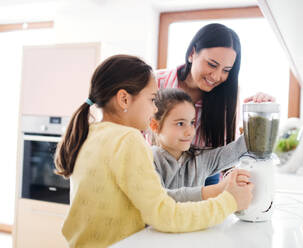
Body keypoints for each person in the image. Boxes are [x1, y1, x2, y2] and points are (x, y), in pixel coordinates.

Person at [54, 54, 254, 248]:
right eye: (151, 100)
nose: (153, 110)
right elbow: (165, 216)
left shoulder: (89, 132)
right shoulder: (128, 139)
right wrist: (229, 201)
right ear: (124, 99)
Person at [155, 23, 274, 186]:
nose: (217, 76)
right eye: (212, 64)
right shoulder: (154, 83)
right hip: (156, 173)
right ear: (192, 53)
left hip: (204, 175)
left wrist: (259, 113)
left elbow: (227, 154)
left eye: (226, 70)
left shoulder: (225, 96)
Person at [150, 88, 252, 202]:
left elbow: (240, 149)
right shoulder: (147, 160)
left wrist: (260, 111)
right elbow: (160, 200)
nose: (190, 132)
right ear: (155, 126)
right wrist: (216, 190)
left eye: (192, 122)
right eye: (180, 123)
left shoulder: (201, 158)